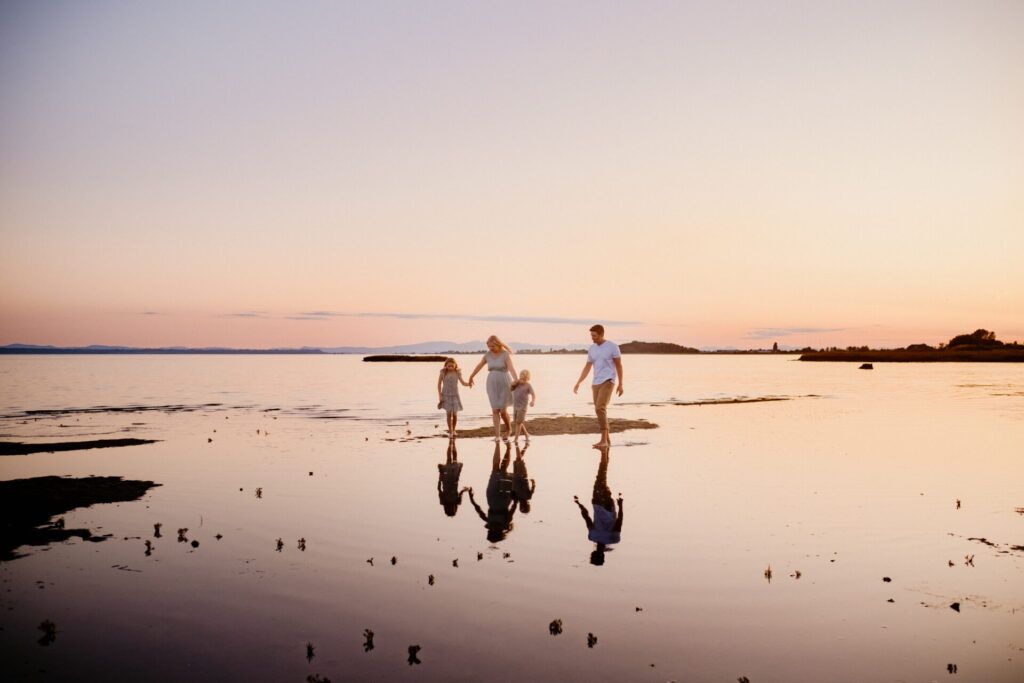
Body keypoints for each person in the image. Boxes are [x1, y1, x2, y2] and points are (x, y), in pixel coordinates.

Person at [573, 324, 623, 448]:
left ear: (601, 334)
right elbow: (587, 366)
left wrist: (620, 384)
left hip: (608, 380)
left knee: (600, 408)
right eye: (591, 335)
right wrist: (579, 382)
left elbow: (619, 366)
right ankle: (607, 440)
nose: (592, 338)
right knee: (599, 410)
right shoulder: (592, 348)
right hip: (596, 382)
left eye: (594, 335)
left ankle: (603, 440)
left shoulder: (613, 347)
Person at [573, 446, 623, 566]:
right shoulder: (593, 537)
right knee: (601, 477)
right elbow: (587, 518)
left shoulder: (613, 539)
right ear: (594, 554)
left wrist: (620, 505)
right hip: (598, 503)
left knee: (602, 478)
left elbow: (619, 521)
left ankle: (605, 453)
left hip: (608, 506)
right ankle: (604, 452)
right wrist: (579, 505)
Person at [467, 335, 518, 442]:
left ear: (498, 344)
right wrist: (471, 376)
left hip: (504, 383)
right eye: (489, 346)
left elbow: (511, 368)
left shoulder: (505, 354)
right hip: (491, 384)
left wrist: (516, 381)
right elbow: (479, 365)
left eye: (492, 346)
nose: (490, 348)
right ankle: (497, 436)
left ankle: (508, 429)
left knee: (503, 411)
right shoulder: (487, 355)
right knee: (495, 410)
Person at [466, 442, 518, 543]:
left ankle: (501, 446)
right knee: (503, 470)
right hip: (503, 499)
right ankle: (508, 449)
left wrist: (471, 497)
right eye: (490, 532)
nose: (491, 529)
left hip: (492, 497)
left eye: (489, 531)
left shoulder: (489, 523)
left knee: (495, 469)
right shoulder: (505, 523)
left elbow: (479, 510)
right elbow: (513, 509)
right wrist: (515, 497)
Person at [437, 357, 470, 438]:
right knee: (448, 414)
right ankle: (450, 431)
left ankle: (454, 430)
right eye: (449, 366)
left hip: (455, 395)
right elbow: (439, 384)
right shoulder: (443, 372)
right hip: (446, 395)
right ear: (446, 366)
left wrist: (468, 384)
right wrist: (440, 395)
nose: (450, 367)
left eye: (452, 366)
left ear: (455, 365)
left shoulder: (457, 372)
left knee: (455, 414)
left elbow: (462, 382)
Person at [510, 369, 536, 443]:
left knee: (518, 422)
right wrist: (512, 384)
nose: (522, 381)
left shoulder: (528, 385)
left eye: (524, 379)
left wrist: (533, 401)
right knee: (517, 422)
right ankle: (527, 435)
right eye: (521, 378)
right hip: (515, 406)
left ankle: (516, 439)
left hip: (523, 407)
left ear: (527, 379)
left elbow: (533, 394)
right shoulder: (517, 383)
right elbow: (511, 389)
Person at [511, 443, 536, 514]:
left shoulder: (526, 497)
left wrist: (533, 482)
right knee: (518, 459)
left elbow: (533, 488)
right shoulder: (516, 498)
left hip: (522, 476)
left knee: (519, 459)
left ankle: (517, 444)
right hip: (516, 477)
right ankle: (523, 446)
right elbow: (511, 489)